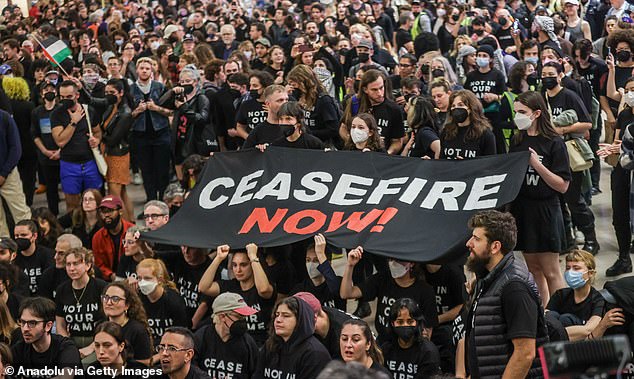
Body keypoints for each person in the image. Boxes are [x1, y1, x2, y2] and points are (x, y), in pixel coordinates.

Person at [462, 210, 547, 378]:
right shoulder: (489, 276)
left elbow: (525, 354)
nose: (468, 243)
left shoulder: (514, 287)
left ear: (495, 247)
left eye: (477, 239)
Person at [509, 91, 571, 306]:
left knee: (551, 271)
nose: (518, 117)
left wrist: (537, 165)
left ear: (536, 113)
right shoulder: (517, 139)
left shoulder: (554, 142)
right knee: (533, 269)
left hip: (545, 210)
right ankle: (543, 312)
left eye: (522, 112)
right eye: (516, 112)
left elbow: (562, 185)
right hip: (523, 209)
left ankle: (562, 315)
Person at [542, 61, 598, 255]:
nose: (547, 77)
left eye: (551, 74)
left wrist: (563, 130)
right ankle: (568, 240)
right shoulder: (541, 97)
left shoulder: (569, 96)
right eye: (544, 74)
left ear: (559, 76)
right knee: (556, 200)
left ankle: (591, 238)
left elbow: (587, 124)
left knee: (574, 200)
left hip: (569, 152)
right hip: (550, 154)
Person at [340, 247, 438, 344]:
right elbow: (346, 293)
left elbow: (427, 332)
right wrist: (350, 266)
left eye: (398, 260)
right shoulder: (383, 279)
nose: (393, 263)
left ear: (411, 263)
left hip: (411, 346)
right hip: (383, 343)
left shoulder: (425, 291)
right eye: (391, 259)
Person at [199, 243, 276, 346]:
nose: (238, 270)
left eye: (243, 265)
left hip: (259, 344)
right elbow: (204, 287)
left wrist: (253, 257)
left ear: (253, 265)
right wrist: (218, 258)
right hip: (234, 343)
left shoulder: (263, 286)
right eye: (234, 265)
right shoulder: (230, 286)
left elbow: (263, 290)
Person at [50, 79, 103, 211]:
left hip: (90, 162)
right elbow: (60, 141)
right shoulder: (56, 114)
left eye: (69, 97)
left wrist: (96, 140)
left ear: (77, 95)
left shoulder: (89, 111)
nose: (64, 100)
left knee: (95, 201)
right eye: (61, 97)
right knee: (72, 204)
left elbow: (97, 132)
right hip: (69, 165)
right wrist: (73, 122)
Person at [253, 296, 331, 379]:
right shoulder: (270, 346)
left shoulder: (315, 353)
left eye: (286, 316)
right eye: (277, 315)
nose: (278, 320)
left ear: (300, 320)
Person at [130, 57, 172, 202]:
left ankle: (163, 201)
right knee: (146, 171)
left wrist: (156, 108)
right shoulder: (131, 89)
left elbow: (170, 111)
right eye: (142, 68)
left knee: (162, 170)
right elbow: (127, 116)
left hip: (161, 133)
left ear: (152, 70)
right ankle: (151, 201)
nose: (144, 70)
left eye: (147, 68)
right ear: (137, 70)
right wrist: (137, 111)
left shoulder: (160, 87)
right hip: (140, 136)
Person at [55, 247, 107, 363]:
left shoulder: (101, 287)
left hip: (99, 341)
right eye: (68, 264)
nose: (72, 268)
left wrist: (91, 347)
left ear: (88, 265)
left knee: (83, 366)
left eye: (76, 264)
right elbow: (60, 325)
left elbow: (110, 321)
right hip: (72, 341)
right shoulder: (62, 290)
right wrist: (68, 346)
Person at [160, 64, 210, 180]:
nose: (185, 84)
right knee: (182, 179)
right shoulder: (179, 97)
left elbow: (202, 119)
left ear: (196, 81)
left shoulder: (201, 98)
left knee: (195, 179)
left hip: (194, 144)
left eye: (188, 81)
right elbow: (161, 103)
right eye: (182, 81)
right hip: (178, 143)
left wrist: (184, 108)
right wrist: (172, 92)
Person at [193, 292, 259, 379]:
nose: (243, 321)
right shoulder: (201, 337)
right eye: (239, 317)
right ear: (222, 316)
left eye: (244, 317)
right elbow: (190, 369)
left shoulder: (248, 344)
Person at [11, 297, 82, 376]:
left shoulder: (66, 347)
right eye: (23, 322)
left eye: (32, 323)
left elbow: (66, 376)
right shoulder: (19, 350)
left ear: (48, 326)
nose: (25, 329)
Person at [546, 250, 605, 341]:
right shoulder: (560, 294)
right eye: (568, 268)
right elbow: (545, 318)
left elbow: (588, 329)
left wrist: (554, 333)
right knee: (551, 315)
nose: (570, 272)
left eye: (576, 268)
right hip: (559, 340)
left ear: (590, 273)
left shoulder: (597, 299)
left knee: (566, 319)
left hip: (581, 344)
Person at [98, 78, 134, 221]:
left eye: (112, 92)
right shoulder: (111, 107)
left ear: (121, 93)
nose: (108, 95)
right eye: (106, 92)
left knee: (116, 196)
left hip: (118, 156)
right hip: (112, 154)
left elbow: (113, 139)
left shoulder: (125, 112)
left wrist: (99, 137)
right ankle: (131, 222)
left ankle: (124, 227)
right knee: (122, 193)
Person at [136, 258, 190, 348]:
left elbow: (182, 335)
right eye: (139, 278)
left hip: (169, 348)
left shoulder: (174, 301)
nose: (142, 283)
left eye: (147, 278)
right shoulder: (137, 298)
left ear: (159, 280)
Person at [381, 298, 441, 378]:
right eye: (400, 322)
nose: (405, 325)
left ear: (417, 323)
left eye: (410, 321)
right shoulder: (386, 349)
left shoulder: (428, 352)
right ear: (392, 324)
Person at [287, 64, 342, 147]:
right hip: (305, 143)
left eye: (295, 85)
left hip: (322, 145)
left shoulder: (324, 100)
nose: (293, 88)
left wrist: (308, 134)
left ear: (304, 82)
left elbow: (333, 129)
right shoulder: (298, 96)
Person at [101, 282, 153, 365]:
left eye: (115, 299)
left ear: (127, 305)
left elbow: (145, 363)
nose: (109, 302)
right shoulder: (101, 326)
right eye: (106, 297)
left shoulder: (138, 330)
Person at [291, 234, 345, 310]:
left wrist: (321, 254)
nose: (311, 264)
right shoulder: (300, 289)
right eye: (308, 260)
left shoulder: (338, 282)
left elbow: (335, 289)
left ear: (328, 263)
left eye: (316, 260)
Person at [31, 80, 61, 215]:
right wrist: (45, 151)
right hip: (46, 156)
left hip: (63, 154)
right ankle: (54, 214)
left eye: (52, 89)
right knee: (51, 188)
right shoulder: (37, 112)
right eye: (46, 90)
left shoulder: (61, 110)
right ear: (42, 94)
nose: (49, 92)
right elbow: (35, 135)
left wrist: (60, 151)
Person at [0, 106, 31, 237]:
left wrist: (4, 173)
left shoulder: (4, 117)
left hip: (8, 173)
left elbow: (16, 148)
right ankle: (4, 251)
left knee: (21, 213)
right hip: (6, 172)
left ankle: (30, 243)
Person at [439, 89, 496, 159]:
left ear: (471, 108)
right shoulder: (446, 131)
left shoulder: (485, 134)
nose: (456, 108)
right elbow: (441, 161)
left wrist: (466, 165)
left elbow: (490, 164)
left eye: (460, 105)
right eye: (453, 106)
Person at [92, 195, 135, 282]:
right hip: (107, 280)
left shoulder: (133, 231)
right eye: (103, 212)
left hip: (132, 277)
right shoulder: (98, 237)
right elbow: (99, 264)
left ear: (120, 211)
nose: (106, 215)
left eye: (110, 211)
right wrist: (111, 275)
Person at [13, 219, 54, 296]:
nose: (19, 238)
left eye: (23, 235)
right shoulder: (13, 257)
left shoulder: (47, 255)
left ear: (34, 236)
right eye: (16, 236)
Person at [243, 84, 288, 148]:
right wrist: (257, 151)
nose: (285, 103)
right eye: (280, 100)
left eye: (286, 100)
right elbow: (245, 154)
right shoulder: (258, 131)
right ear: (268, 104)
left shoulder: (293, 127)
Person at [37, 233, 80, 300]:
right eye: (56, 252)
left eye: (61, 253)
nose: (55, 257)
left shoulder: (91, 273)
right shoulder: (49, 275)